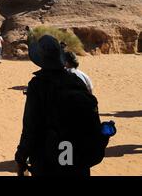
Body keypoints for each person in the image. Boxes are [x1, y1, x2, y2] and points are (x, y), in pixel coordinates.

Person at [15, 35, 104, 177]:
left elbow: (31, 126)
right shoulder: (76, 81)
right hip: (77, 158)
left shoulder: (38, 84)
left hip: (48, 159)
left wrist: (21, 157)